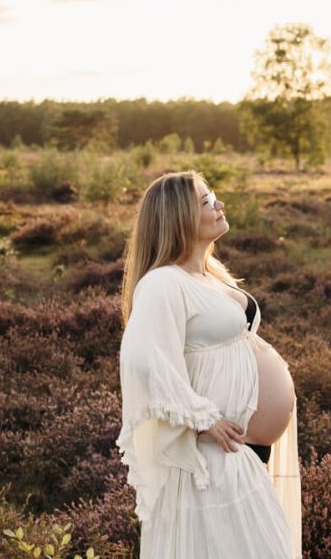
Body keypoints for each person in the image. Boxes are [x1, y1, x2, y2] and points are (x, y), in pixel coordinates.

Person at [116, 170, 301, 559]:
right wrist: (203, 417)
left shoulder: (208, 275)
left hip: (242, 456)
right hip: (212, 458)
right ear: (178, 217)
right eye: (205, 201)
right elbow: (143, 360)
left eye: (213, 196)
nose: (219, 205)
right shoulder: (162, 282)